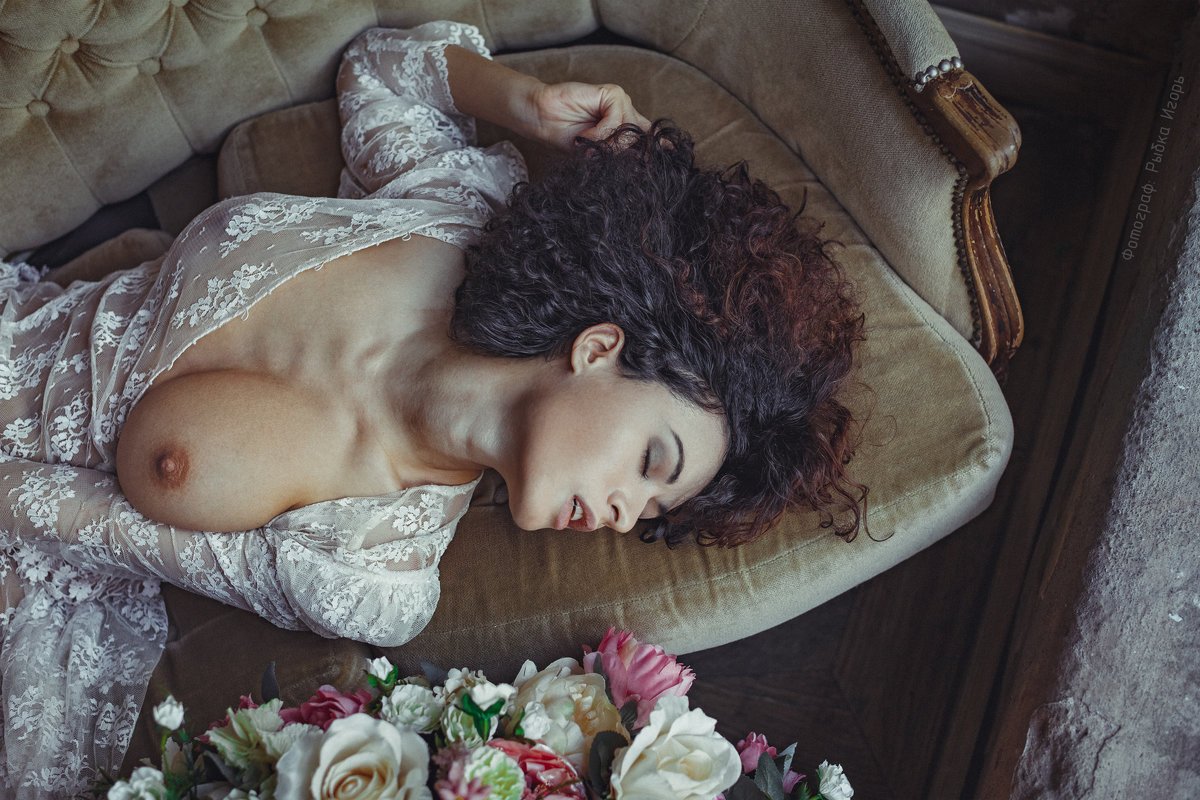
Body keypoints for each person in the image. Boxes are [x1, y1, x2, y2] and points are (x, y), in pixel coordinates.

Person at [0, 19, 867, 797]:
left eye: (648, 513)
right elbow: (383, 66)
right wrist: (528, 104)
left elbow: (85, 526)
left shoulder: (375, 575)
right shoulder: (456, 205)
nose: (623, 513)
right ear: (600, 348)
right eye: (651, 463)